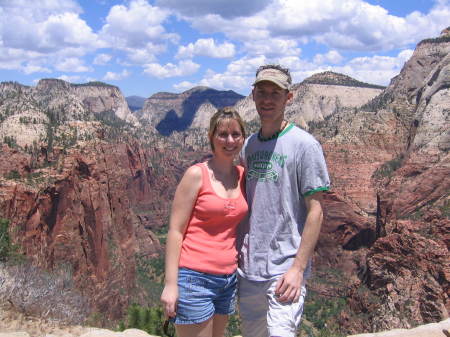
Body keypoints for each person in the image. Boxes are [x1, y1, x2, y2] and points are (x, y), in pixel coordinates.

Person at [237, 65, 330, 337]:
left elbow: (316, 212)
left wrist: (297, 269)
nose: (267, 99)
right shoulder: (248, 146)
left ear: (288, 98)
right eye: (262, 92)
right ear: (252, 95)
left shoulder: (305, 145)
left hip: (284, 271)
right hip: (249, 269)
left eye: (275, 93)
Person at [160, 107, 248, 337]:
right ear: (211, 137)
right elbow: (175, 231)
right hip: (194, 278)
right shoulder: (196, 175)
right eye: (222, 134)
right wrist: (171, 285)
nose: (230, 141)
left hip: (228, 279)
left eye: (236, 134)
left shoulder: (242, 176)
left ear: (243, 138)